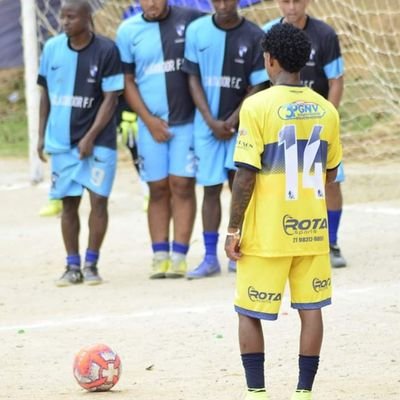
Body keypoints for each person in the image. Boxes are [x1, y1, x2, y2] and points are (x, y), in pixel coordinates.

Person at [225, 23, 342, 400]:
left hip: (268, 232)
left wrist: (233, 230)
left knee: (248, 312)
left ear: (270, 60)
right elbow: (331, 173)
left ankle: (257, 392)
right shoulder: (327, 111)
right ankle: (303, 393)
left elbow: (245, 175)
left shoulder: (256, 106)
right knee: (311, 310)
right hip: (311, 230)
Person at [37, 0, 124, 286]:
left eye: (71, 16)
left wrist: (89, 137)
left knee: (98, 200)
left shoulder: (107, 50)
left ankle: (92, 263)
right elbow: (45, 95)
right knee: (68, 203)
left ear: (88, 17)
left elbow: (111, 99)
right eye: (62, 17)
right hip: (62, 142)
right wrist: (41, 136)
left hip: (99, 142)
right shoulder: (51, 49)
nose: (64, 22)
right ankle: (71, 265)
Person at [116, 0, 203, 279]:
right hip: (149, 124)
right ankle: (159, 255)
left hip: (186, 121)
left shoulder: (191, 20)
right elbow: (127, 81)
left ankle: (179, 256)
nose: (151, 3)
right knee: (157, 188)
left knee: (182, 185)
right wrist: (148, 119)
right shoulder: (128, 31)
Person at [182, 0, 268, 279]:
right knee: (209, 189)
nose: (222, 4)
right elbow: (192, 78)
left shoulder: (255, 35)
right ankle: (209, 257)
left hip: (240, 126)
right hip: (206, 127)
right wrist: (210, 119)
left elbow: (258, 85)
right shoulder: (196, 30)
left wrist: (232, 119)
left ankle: (237, 250)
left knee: (238, 186)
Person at [263, 0, 346, 268]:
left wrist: (326, 117)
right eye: (285, 1)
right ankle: (285, 238)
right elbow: (263, 81)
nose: (291, 7)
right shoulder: (268, 32)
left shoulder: (325, 34)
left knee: (330, 181)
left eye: (296, 0)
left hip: (316, 122)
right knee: (281, 182)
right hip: (281, 123)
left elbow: (336, 81)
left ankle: (330, 242)